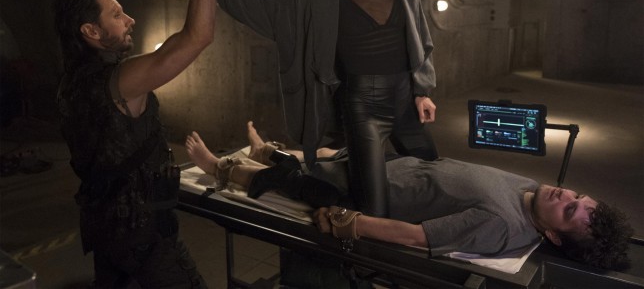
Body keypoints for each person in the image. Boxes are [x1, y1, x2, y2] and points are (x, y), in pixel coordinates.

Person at [211, 0, 438, 217]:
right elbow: (257, 9)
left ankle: (281, 161)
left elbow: (418, 26)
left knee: (435, 176)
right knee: (369, 209)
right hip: (363, 106)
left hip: (405, 98)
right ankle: (284, 177)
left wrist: (421, 89)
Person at [185, 122, 633, 271]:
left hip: (365, 194)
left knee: (293, 180)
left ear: (553, 236)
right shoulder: (532, 193)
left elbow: (418, 236)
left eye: (568, 209)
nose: (565, 193)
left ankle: (220, 167)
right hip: (389, 170)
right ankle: (265, 150)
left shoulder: (500, 225)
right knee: (326, 154)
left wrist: (350, 223)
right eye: (578, 195)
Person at [53, 0, 224, 288]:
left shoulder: (70, 82)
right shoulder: (120, 80)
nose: (129, 20)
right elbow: (198, 36)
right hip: (145, 238)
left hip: (104, 231)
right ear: (91, 32)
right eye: (116, 15)